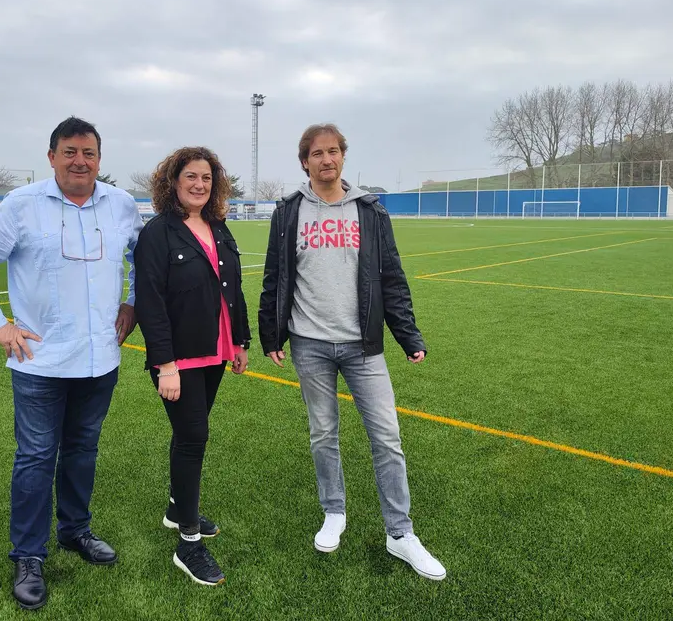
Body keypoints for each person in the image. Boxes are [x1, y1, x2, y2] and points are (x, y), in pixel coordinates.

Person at [0, 116, 143, 610]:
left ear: (100, 159)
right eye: (70, 152)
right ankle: (28, 556)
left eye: (89, 153)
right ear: (52, 156)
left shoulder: (121, 205)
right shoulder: (23, 205)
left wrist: (133, 302)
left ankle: (75, 531)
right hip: (39, 360)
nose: (80, 161)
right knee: (36, 458)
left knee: (83, 450)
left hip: (101, 357)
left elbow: (143, 262)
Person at [257, 123, 446, 581]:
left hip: (364, 346)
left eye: (334, 151)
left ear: (343, 157)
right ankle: (334, 512)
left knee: (387, 437)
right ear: (305, 161)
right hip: (310, 344)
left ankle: (399, 533)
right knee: (324, 433)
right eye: (317, 153)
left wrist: (409, 336)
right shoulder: (288, 212)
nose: (327, 159)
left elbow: (392, 278)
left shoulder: (370, 211)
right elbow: (275, 278)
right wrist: (271, 335)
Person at [134, 146, 251, 587]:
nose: (199, 184)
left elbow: (232, 289)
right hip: (177, 358)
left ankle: (175, 506)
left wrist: (239, 340)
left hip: (216, 350)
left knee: (190, 434)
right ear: (173, 182)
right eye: (191, 177)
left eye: (206, 178)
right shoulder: (158, 233)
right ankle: (187, 542)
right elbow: (150, 301)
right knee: (193, 437)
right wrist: (165, 364)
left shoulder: (218, 227)